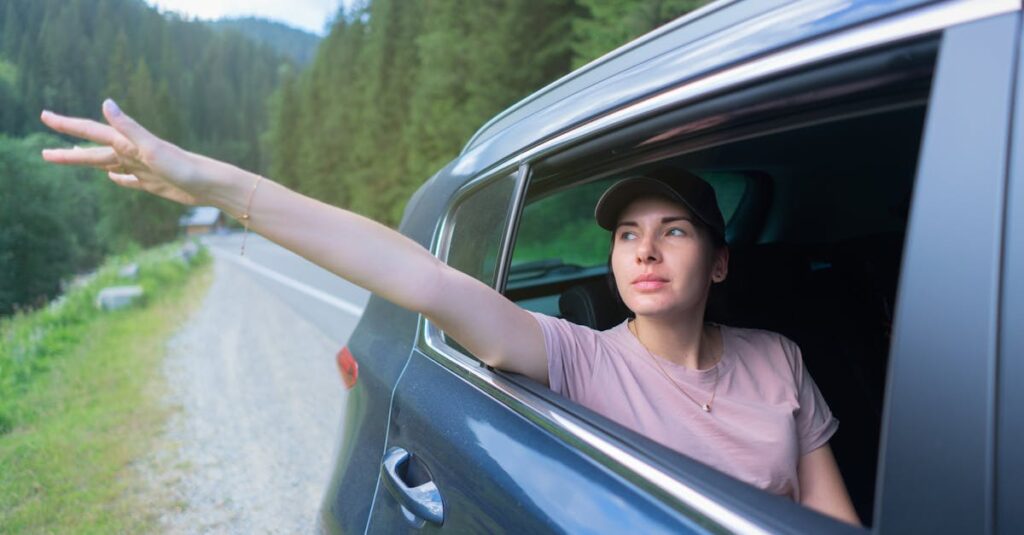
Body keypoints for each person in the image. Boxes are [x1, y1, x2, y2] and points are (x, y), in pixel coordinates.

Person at [39, 99, 861, 526]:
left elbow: (832, 519)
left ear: (718, 261)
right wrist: (222, 188)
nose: (643, 251)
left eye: (673, 231)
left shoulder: (779, 358)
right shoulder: (582, 357)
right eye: (628, 235)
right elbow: (422, 278)